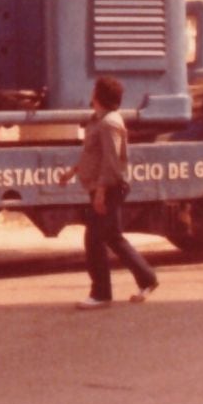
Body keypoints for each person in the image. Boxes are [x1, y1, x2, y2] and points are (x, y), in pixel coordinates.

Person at [58, 76, 159, 309]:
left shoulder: (110, 123)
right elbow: (93, 155)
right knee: (112, 237)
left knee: (94, 239)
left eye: (94, 90)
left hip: (110, 187)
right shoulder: (97, 120)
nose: (91, 94)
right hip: (102, 187)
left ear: (100, 96)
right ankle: (147, 279)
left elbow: (111, 162)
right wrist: (72, 171)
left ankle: (101, 293)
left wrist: (102, 191)